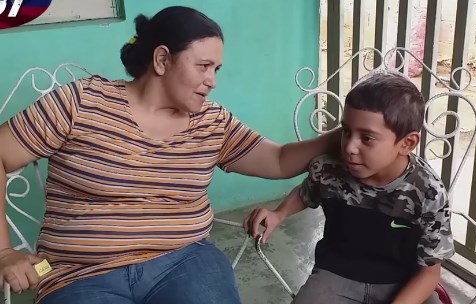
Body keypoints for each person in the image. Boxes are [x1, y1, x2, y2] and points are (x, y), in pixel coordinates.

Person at [0, 6, 341, 304]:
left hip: (184, 262)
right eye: (204, 66)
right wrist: (4, 252)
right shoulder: (80, 104)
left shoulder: (212, 122)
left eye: (216, 69)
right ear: (162, 60)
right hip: (80, 273)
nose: (212, 81)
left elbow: (279, 160)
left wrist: (345, 133)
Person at [244, 70, 455, 304]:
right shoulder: (330, 168)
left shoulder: (428, 192)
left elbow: (429, 273)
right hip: (336, 276)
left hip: (402, 284)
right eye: (346, 131)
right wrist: (279, 213)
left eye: (367, 138)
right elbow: (307, 193)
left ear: (407, 143)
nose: (349, 147)